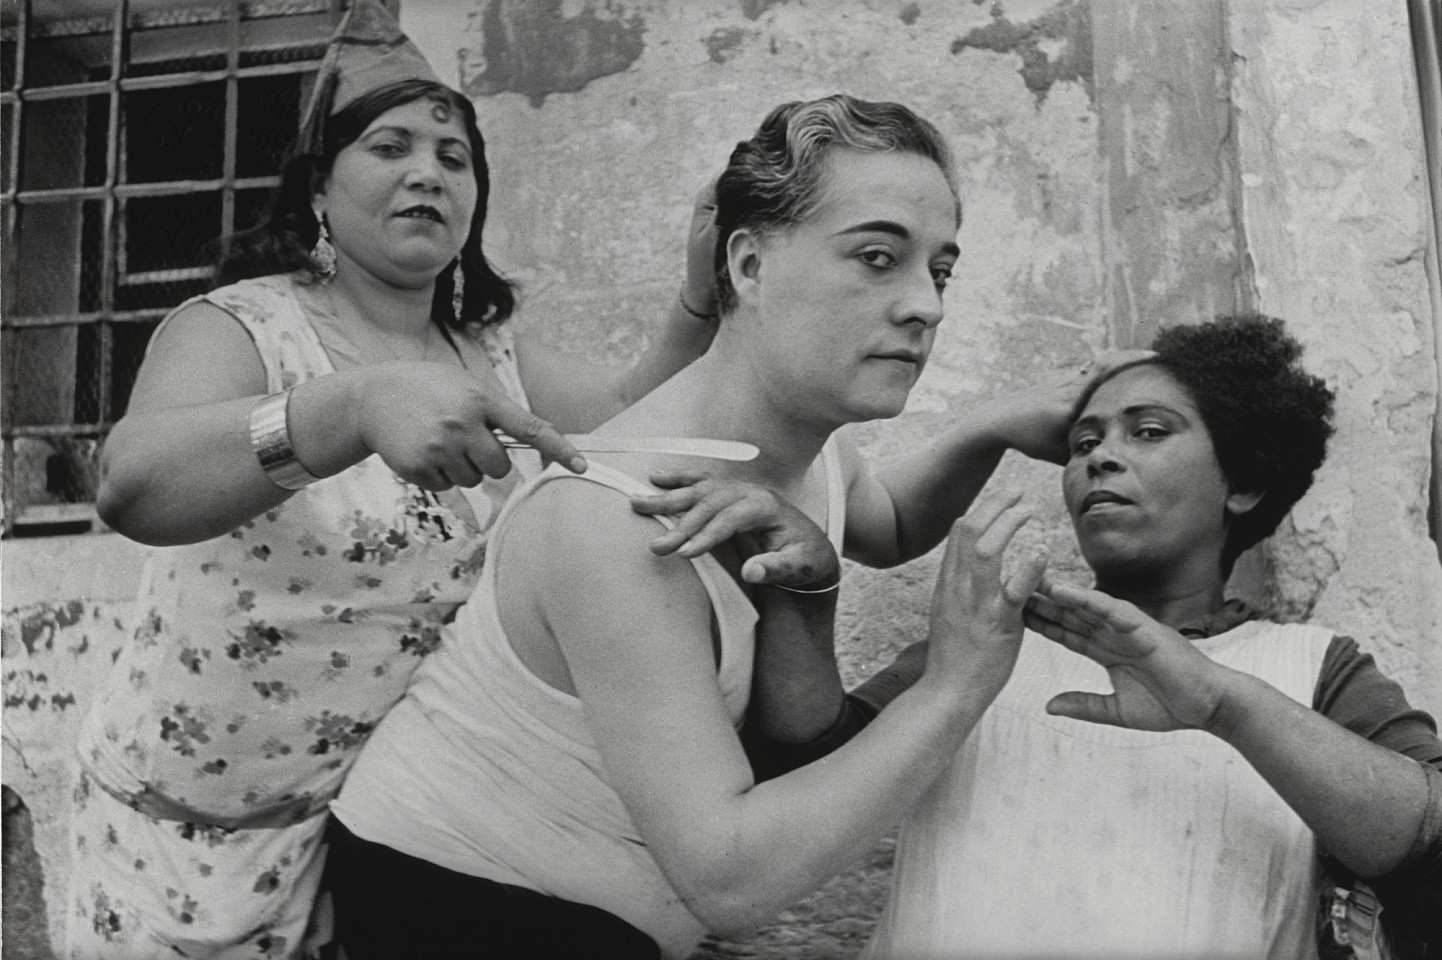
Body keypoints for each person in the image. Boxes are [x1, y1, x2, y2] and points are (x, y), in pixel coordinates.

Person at [324, 92, 1087, 959]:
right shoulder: (620, 518)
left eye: (939, 271)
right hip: (456, 916)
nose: (926, 307)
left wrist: (993, 426)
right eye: (878, 257)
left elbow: (891, 521)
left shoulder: (808, 451)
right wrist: (957, 683)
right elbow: (731, 882)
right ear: (750, 265)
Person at [66, 3, 720, 957]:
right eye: (391, 145)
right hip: (172, 836)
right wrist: (352, 408)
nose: (428, 171)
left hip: (358, 836)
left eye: (455, 159)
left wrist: (701, 294)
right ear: (318, 195)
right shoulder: (244, 326)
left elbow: (623, 424)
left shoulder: (492, 355)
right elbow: (132, 485)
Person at [864, 315, 1442, 959]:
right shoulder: (987, 644)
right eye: (1083, 443)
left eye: (1149, 432)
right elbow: (794, 774)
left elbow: (1429, 843)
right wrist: (806, 591)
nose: (1100, 458)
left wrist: (1222, 704)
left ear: (1244, 482)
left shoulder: (1313, 668)